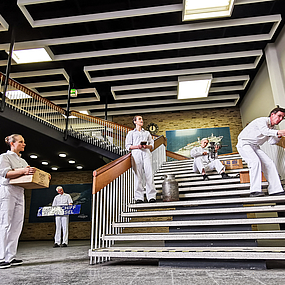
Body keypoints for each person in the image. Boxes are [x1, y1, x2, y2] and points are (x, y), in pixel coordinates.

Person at [0, 134, 36, 269]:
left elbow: (28, 174)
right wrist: (24, 171)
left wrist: (41, 175)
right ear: (12, 143)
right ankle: (1, 257)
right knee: (5, 224)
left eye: (24, 141)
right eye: (21, 142)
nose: (24, 144)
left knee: (17, 225)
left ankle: (10, 256)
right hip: (7, 190)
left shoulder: (23, 161)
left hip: (20, 191)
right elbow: (5, 173)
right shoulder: (4, 157)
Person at [237, 107, 285, 197]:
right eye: (279, 116)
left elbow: (271, 142)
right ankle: (255, 190)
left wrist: (278, 135)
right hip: (244, 143)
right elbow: (265, 131)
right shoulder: (262, 121)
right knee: (255, 162)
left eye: (282, 117)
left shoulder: (272, 128)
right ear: (272, 114)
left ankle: (276, 190)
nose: (280, 119)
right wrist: (279, 131)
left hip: (255, 146)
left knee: (270, 163)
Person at [125, 115, 157, 203]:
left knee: (149, 174)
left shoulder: (147, 133)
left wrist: (146, 146)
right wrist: (137, 146)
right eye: (139, 119)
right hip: (136, 154)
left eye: (142, 119)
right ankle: (139, 197)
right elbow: (127, 146)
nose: (141, 120)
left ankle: (151, 196)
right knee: (138, 176)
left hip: (146, 153)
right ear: (135, 122)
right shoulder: (131, 133)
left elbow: (152, 145)